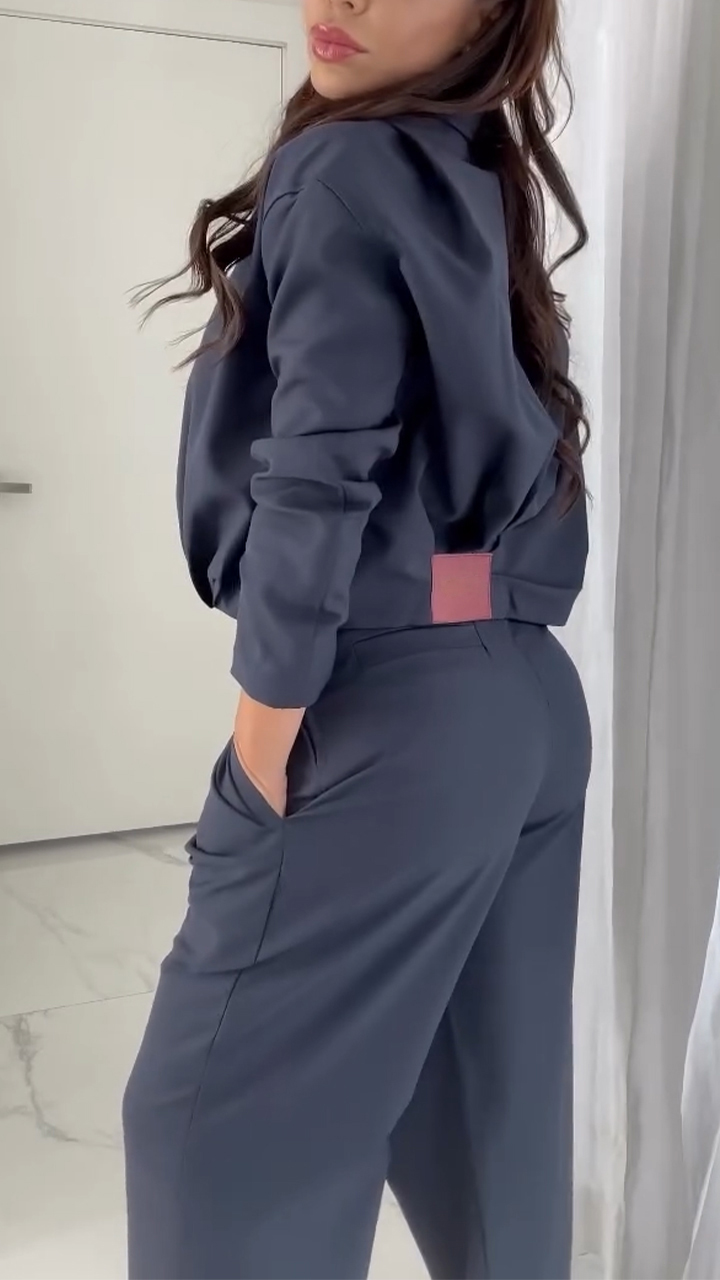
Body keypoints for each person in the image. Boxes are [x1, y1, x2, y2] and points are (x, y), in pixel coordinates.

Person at [123, 0, 593, 1276]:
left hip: (387, 708)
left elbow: (318, 466)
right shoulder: (475, 171)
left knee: (207, 1139)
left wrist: (265, 725)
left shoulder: (340, 164)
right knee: (491, 1146)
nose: (346, 0)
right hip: (527, 706)